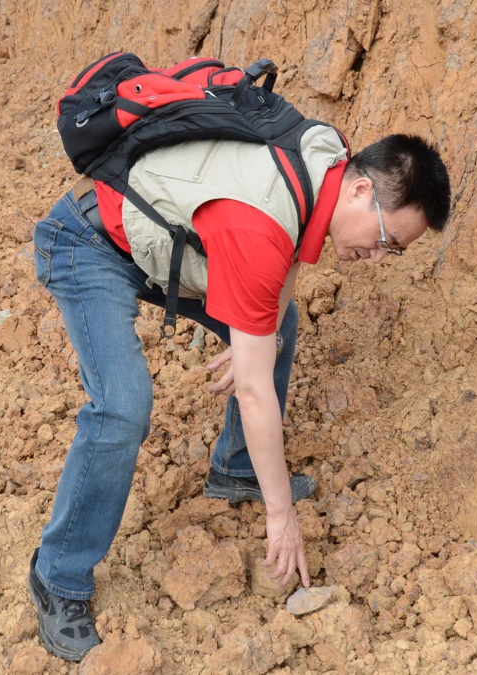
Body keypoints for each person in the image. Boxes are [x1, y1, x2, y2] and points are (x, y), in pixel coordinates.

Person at [27, 130, 451, 661]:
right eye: (387, 240)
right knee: (122, 407)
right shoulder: (262, 222)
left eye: (395, 252)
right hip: (88, 242)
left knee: (280, 323)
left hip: (159, 240)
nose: (380, 257)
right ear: (362, 190)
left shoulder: (323, 165)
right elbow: (253, 389)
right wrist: (281, 517)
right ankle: (58, 576)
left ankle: (237, 466)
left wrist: (264, 332)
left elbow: (290, 257)